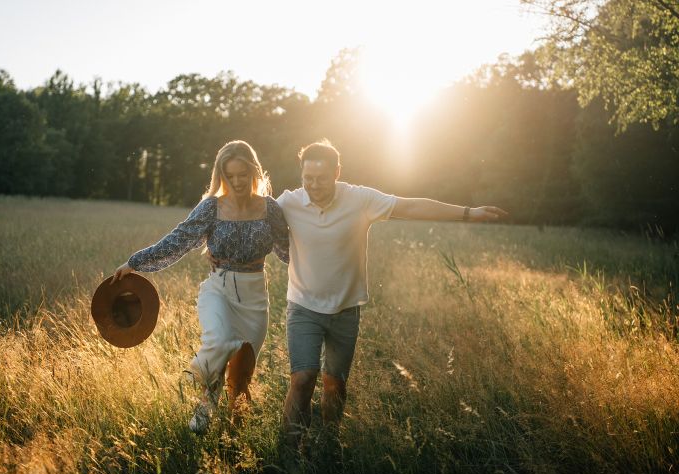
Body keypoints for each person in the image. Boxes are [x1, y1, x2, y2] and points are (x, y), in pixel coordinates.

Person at [277, 140, 508, 449]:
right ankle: (290, 449)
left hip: (346, 309)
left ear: (337, 173)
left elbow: (411, 206)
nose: (314, 186)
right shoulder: (289, 203)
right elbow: (247, 215)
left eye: (321, 178)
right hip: (303, 306)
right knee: (303, 378)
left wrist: (468, 213)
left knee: (335, 384)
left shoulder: (359, 199)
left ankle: (328, 444)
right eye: (308, 179)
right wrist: (217, 250)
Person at [111, 140, 289, 433]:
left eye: (242, 174)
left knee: (241, 378)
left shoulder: (270, 209)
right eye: (229, 176)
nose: (236, 181)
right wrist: (135, 263)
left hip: (256, 297)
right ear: (221, 176)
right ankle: (204, 401)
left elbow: (288, 251)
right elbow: (177, 241)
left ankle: (234, 441)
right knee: (219, 341)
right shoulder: (211, 208)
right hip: (218, 289)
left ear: (253, 171)